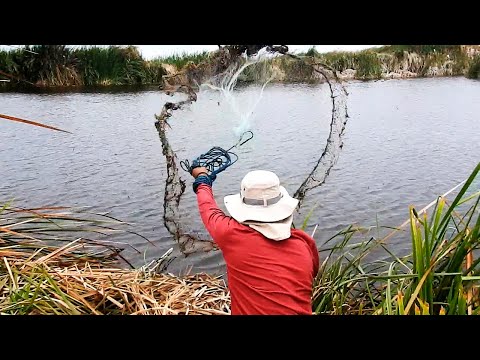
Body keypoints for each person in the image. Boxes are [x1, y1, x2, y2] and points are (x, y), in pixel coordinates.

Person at [191, 166, 319, 315]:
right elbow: (312, 274)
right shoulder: (305, 244)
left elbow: (209, 209)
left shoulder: (231, 235)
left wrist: (202, 179)